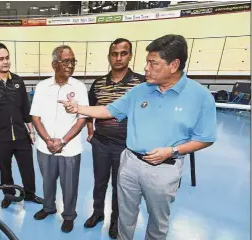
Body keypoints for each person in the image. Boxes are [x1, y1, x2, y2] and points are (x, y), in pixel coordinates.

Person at [59, 34, 216, 240]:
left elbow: (206, 138)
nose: (146, 68)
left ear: (174, 65)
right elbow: (109, 110)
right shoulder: (140, 91)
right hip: (130, 163)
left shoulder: (200, 96)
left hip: (164, 169)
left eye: (153, 63)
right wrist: (78, 108)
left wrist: (173, 150)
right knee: (126, 216)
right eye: (147, 62)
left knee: (158, 221)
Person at [84, 38, 145, 238]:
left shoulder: (141, 83)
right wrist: (91, 131)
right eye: (114, 54)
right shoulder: (99, 83)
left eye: (123, 53)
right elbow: (90, 109)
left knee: (120, 185)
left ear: (130, 55)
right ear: (109, 56)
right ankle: (97, 213)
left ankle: (115, 220)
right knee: (99, 181)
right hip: (100, 143)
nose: (118, 58)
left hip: (126, 146)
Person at [30, 45, 88, 233]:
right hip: (44, 146)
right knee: (47, 181)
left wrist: (62, 141)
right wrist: (47, 140)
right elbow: (35, 117)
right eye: (66, 61)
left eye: (73, 61)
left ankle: (69, 215)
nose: (70, 65)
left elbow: (82, 119)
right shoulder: (42, 86)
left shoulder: (79, 87)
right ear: (55, 63)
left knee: (69, 185)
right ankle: (48, 207)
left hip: (69, 148)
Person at [0, 43, 43, 208]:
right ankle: (8, 195)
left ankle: (30, 194)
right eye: (1, 59)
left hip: (21, 134)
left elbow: (25, 108)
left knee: (28, 168)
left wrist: (31, 131)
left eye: (7, 58)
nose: (5, 62)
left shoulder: (17, 81)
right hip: (0, 136)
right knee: (5, 169)